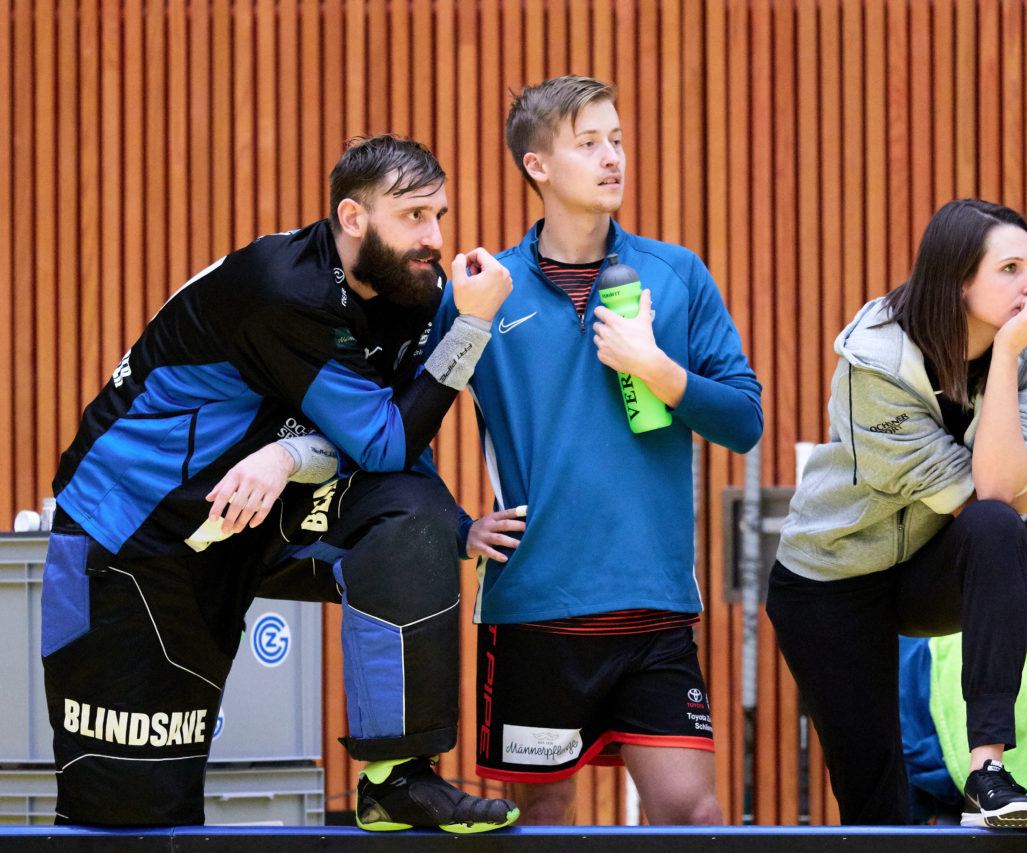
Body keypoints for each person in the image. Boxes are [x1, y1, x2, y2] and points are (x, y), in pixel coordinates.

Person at [41, 135, 521, 832]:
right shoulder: (282, 288)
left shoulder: (405, 292)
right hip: (132, 538)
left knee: (408, 513)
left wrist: (449, 523)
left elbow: (385, 447)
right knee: (133, 818)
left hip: (248, 517)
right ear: (353, 219)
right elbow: (386, 438)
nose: (436, 237)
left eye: (439, 214)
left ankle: (398, 779)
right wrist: (472, 324)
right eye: (415, 216)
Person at [764, 199, 1027, 828]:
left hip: (929, 570)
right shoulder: (876, 363)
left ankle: (987, 772)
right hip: (829, 582)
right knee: (876, 802)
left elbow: (996, 495)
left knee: (997, 527)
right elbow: (967, 491)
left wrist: (1005, 358)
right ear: (958, 282)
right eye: (1009, 268)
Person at [433, 75, 762, 825]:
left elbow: (744, 419)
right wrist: (460, 527)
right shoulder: (487, 292)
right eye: (589, 143)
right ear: (537, 165)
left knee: (693, 813)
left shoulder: (677, 276)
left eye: (616, 139)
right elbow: (402, 425)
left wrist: (658, 371)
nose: (613, 157)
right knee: (545, 820)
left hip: (654, 605)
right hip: (536, 612)